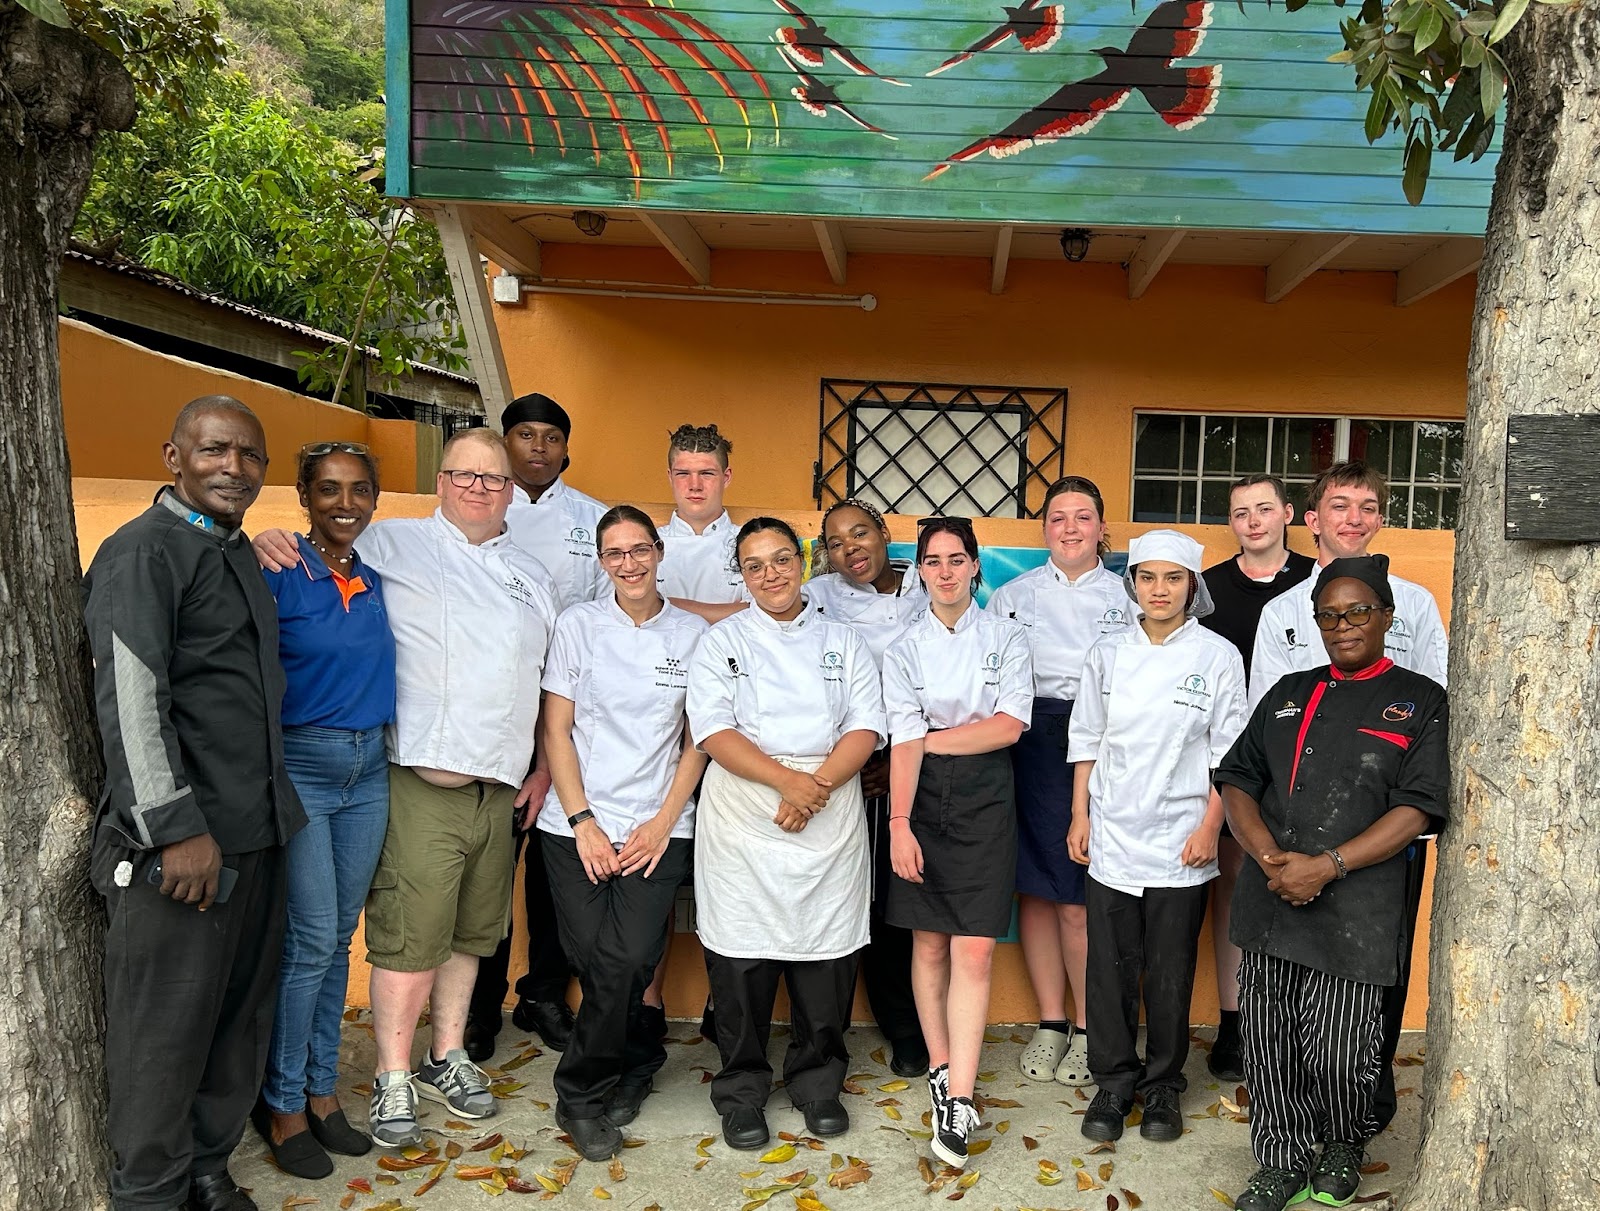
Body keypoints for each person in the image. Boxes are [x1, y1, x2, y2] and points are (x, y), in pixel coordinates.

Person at [255, 428, 558, 1148]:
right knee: (406, 934)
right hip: (421, 778)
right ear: (442, 482)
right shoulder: (395, 544)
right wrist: (271, 538)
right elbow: (327, 540)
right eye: (465, 474)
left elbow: (546, 680)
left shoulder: (533, 575)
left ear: (511, 490)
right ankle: (392, 1074)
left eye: (493, 478)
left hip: (502, 787)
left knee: (469, 933)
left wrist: (544, 765)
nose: (479, 487)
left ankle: (445, 1055)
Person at [85, 395, 306, 1211]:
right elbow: (133, 699)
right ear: (174, 456)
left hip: (257, 833)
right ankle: (148, 1193)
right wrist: (176, 828)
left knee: (236, 1018)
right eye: (216, 450)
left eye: (250, 456)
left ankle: (209, 1170)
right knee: (162, 1037)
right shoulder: (142, 553)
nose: (234, 468)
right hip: (182, 849)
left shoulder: (236, 551)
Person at [1216, 555, 1448, 1211]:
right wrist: (1268, 857)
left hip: (1358, 906)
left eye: (1357, 611)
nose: (1342, 625)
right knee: (1270, 1044)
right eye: (1329, 614)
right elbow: (1238, 779)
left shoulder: (1421, 699)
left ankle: (1343, 1140)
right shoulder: (1288, 689)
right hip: (1271, 899)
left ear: (1385, 617)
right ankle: (1281, 1158)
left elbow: (1418, 806)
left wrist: (1327, 864)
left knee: (1345, 1051)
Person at [1247, 460, 1447, 1131]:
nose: (1354, 517)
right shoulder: (1282, 612)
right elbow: (1266, 728)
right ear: (1313, 519)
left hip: (1385, 820)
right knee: (1294, 975)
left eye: (1368, 505)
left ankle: (1365, 1093)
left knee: (1376, 964)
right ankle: (1303, 1104)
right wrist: (1280, 847)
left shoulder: (1415, 603)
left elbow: (1436, 703)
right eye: (1340, 504)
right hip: (1296, 827)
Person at [687, 518, 886, 1152]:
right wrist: (785, 783)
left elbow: (866, 724)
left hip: (828, 809)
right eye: (754, 565)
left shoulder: (842, 639)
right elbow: (713, 730)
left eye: (780, 559)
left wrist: (815, 786)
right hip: (745, 816)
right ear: (740, 575)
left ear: (801, 563)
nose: (770, 573)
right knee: (741, 960)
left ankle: (818, 1081)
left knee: (826, 956)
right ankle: (742, 1089)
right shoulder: (720, 642)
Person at [536, 506, 709, 1160]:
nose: (630, 563)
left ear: (659, 553)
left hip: (658, 827)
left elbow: (698, 739)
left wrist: (662, 823)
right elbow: (556, 728)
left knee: (631, 957)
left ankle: (580, 1092)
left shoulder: (690, 633)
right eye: (615, 552)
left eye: (640, 549)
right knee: (599, 961)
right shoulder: (579, 625)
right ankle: (636, 1057)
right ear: (602, 561)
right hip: (574, 824)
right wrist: (584, 823)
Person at [1065, 530, 1247, 1145]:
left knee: (1171, 971)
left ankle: (1164, 1084)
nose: (1160, 590)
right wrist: (1079, 816)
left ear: (1192, 586)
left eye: (1173, 579)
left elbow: (1229, 756)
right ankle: (1114, 1081)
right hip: (1112, 831)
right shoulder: (1107, 654)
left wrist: (1209, 827)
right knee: (1109, 969)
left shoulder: (1217, 657)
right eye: (1148, 578)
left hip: (1181, 836)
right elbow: (1086, 741)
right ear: (1132, 584)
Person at [254, 443, 397, 1178]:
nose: (346, 503)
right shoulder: (278, 571)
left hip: (368, 768)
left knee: (340, 936)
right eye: (330, 489)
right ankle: (280, 1102)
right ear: (304, 495)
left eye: (360, 490)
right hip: (304, 767)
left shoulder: (373, 578)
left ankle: (320, 1089)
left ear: (375, 498)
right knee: (309, 939)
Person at [885, 516, 1032, 1170]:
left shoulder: (1006, 636)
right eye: (932, 560)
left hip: (985, 794)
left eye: (956, 558)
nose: (944, 571)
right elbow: (899, 739)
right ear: (919, 569)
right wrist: (897, 822)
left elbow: (1008, 724)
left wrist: (929, 738)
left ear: (975, 565)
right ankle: (943, 1071)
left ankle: (962, 1098)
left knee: (975, 945)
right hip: (919, 796)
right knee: (928, 940)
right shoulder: (904, 644)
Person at [468, 393, 609, 1062]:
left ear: (565, 448)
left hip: (565, 716)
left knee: (555, 862)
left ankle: (544, 991)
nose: (537, 447)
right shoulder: (477, 514)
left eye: (551, 436)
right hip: (493, 712)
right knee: (493, 862)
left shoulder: (591, 518)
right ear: (505, 442)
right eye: (525, 434)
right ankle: (477, 1002)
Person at [985, 476, 1133, 1088]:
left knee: (1075, 896)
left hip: (1094, 746)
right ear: (1044, 528)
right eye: (1057, 518)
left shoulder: (1127, 598)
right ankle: (1051, 1020)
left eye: (1082, 517)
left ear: (1102, 528)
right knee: (1035, 893)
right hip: (1021, 744)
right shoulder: (1012, 596)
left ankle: (1088, 1025)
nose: (1069, 528)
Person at [1198, 474, 1316, 1082]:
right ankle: (1235, 1021)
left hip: (1306, 760)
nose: (1253, 521)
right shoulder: (1209, 590)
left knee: (1300, 884)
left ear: (1290, 514)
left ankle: (1296, 1025)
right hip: (1234, 762)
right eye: (1241, 512)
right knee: (1235, 887)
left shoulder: (1316, 583)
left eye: (1264, 509)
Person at [808, 498, 929, 1078]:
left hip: (924, 754)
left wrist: (905, 759)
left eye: (860, 533)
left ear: (885, 534)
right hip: (846, 761)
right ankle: (895, 1022)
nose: (850, 548)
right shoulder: (818, 597)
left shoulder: (927, 584)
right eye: (835, 542)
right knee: (864, 896)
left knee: (911, 898)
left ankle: (919, 1020)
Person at [658, 423, 748, 611]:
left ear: (726, 477)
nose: (695, 485)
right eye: (683, 474)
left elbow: (759, 614)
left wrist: (665, 606)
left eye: (706, 473)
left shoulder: (748, 543)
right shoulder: (647, 545)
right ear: (670, 477)